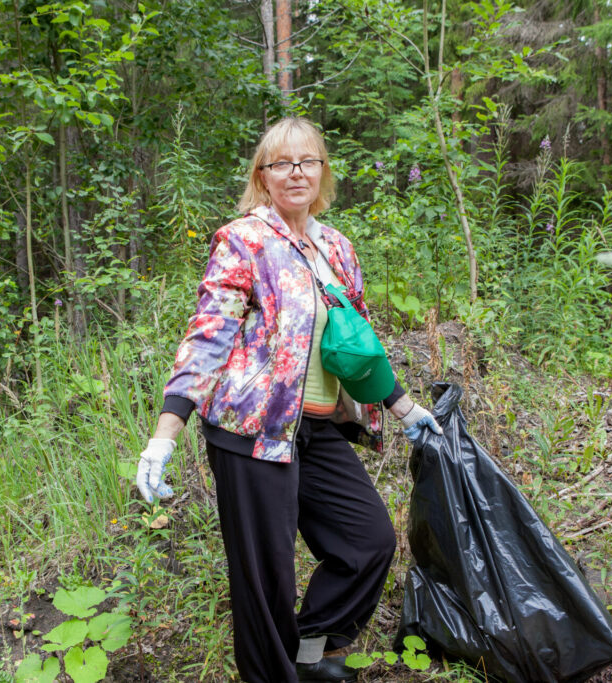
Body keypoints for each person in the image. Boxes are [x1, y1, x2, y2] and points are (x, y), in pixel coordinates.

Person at [136, 117, 442, 683]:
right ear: (263, 176)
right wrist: (165, 433)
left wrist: (405, 408)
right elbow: (209, 335)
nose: (296, 172)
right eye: (281, 163)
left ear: (323, 171)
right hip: (251, 430)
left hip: (318, 427)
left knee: (367, 541)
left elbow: (356, 347)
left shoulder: (337, 248)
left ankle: (309, 655)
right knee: (266, 576)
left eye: (308, 161)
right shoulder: (243, 240)